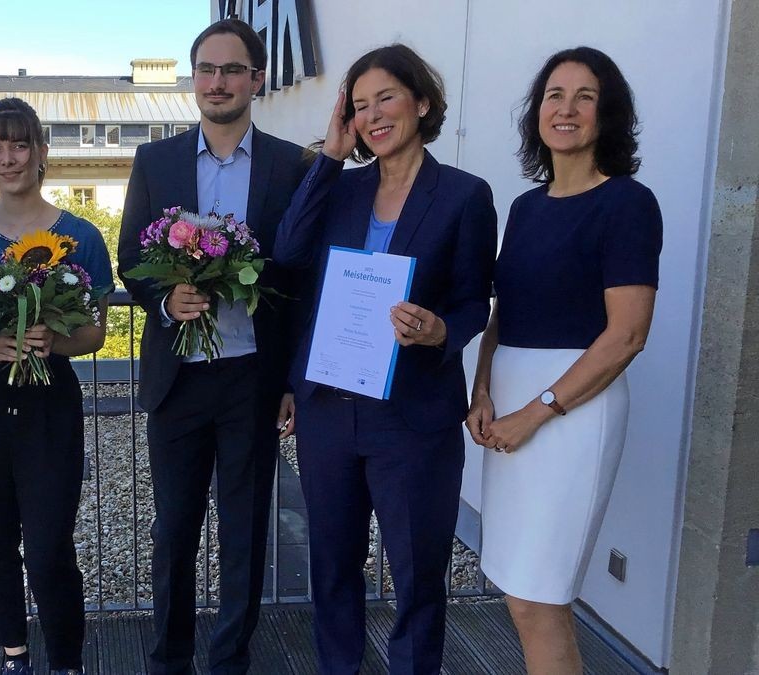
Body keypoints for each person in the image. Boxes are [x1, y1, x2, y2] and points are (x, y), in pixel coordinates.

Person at [272, 44, 497, 674]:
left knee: (419, 573)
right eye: (360, 104)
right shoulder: (341, 188)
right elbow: (289, 255)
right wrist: (331, 157)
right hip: (331, 414)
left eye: (386, 98)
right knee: (334, 568)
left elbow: (475, 301)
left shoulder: (463, 195)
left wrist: (438, 331)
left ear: (422, 103)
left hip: (413, 418)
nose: (373, 115)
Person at [117, 18, 312, 675]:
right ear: (193, 78)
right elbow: (129, 259)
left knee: (244, 530)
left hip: (252, 378)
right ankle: (169, 657)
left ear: (257, 79)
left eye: (233, 70)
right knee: (173, 531)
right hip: (179, 377)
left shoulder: (291, 164)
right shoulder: (156, 161)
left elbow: (300, 275)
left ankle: (230, 657)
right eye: (207, 69)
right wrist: (166, 300)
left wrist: (293, 378)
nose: (219, 81)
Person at [466, 47, 661, 674]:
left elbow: (627, 336)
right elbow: (505, 312)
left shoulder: (627, 204)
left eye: (585, 96)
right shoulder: (526, 208)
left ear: (609, 115)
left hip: (573, 411)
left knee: (538, 597)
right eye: (554, 94)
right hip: (515, 400)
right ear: (537, 112)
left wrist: (539, 410)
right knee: (518, 590)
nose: (567, 108)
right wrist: (483, 390)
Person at [0, 97, 113, 675]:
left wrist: (52, 342)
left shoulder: (82, 236)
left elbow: (93, 332)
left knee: (48, 546)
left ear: (41, 152)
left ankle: (66, 660)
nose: (7, 158)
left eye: (19, 145)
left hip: (48, 402)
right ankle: (13, 651)